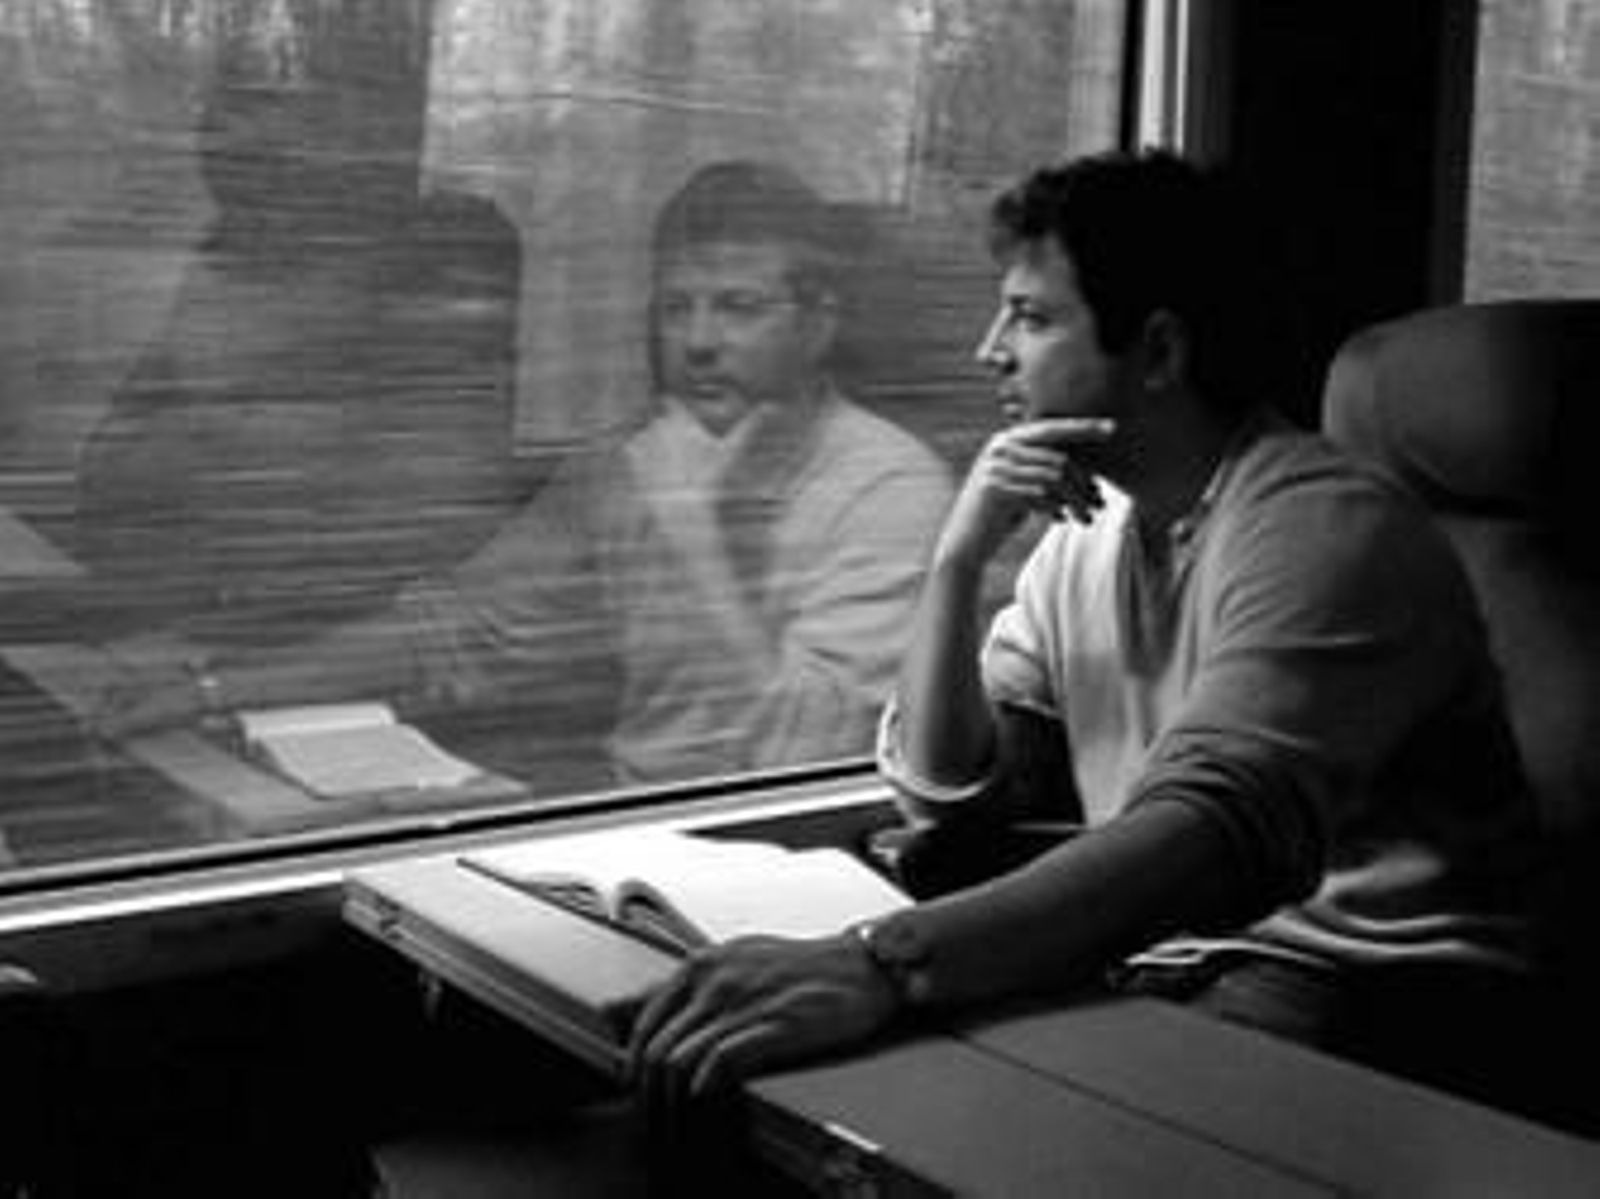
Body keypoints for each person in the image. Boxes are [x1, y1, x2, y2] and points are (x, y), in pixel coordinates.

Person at [626, 149, 1544, 1112]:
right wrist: (957, 558)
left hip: (1369, 986)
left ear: (1156, 351)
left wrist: (879, 967)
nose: (990, 348)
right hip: (1187, 953)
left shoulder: (1326, 526)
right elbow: (954, 796)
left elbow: (1213, 834)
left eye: (1028, 316)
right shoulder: (1093, 529)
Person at [99, 160, 954, 788]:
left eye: (738, 307)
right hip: (630, 819)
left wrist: (692, 520)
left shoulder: (886, 489)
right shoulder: (632, 462)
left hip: (784, 868)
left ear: (820, 322)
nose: (697, 341)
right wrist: (212, 690)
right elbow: (459, 627)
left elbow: (797, 758)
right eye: (676, 307)